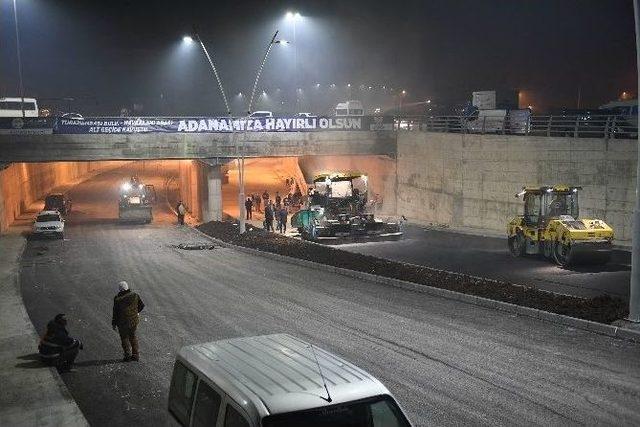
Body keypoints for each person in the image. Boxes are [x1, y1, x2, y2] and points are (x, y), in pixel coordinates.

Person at [112, 281, 145, 362]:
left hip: (122, 323)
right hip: (134, 321)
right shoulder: (135, 295)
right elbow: (141, 306)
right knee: (133, 336)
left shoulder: (117, 299)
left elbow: (115, 313)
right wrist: (135, 312)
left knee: (124, 338)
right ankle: (135, 355)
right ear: (127, 287)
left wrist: (114, 323)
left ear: (120, 289)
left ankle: (127, 356)